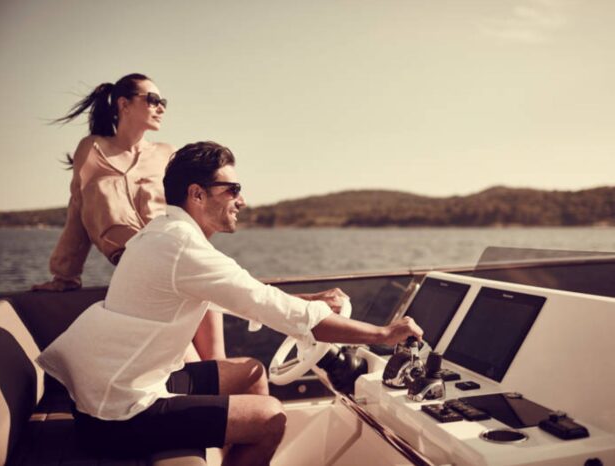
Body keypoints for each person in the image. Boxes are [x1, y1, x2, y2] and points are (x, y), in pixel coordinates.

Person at [36, 141, 423, 466]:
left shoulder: (164, 232)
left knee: (252, 372)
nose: (242, 200)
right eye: (232, 189)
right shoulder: (182, 247)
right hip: (117, 413)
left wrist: (311, 299)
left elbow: (247, 295)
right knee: (271, 416)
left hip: (123, 384)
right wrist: (383, 334)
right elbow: (275, 309)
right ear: (197, 194)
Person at [32, 73, 225, 362]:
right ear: (124, 104)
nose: (161, 107)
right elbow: (78, 210)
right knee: (189, 364)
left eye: (164, 102)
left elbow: (194, 211)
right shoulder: (92, 149)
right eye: (153, 100)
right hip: (141, 271)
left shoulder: (166, 154)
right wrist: (65, 273)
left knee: (215, 362)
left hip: (185, 259)